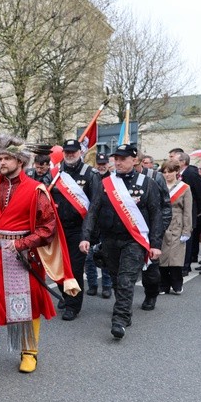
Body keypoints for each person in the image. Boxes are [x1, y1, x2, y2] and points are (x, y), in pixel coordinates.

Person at [0, 136, 79, 379]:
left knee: (27, 306)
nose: (1, 162)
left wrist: (22, 243)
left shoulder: (36, 190)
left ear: (20, 161)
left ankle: (29, 353)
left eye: (7, 158)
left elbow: (48, 227)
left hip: (24, 257)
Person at [80, 144, 163, 339]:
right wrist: (86, 237)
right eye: (115, 158)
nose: (117, 162)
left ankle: (119, 319)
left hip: (133, 240)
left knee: (126, 280)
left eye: (122, 159)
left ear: (134, 160)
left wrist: (156, 244)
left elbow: (156, 214)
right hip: (109, 239)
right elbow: (93, 211)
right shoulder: (106, 183)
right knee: (117, 279)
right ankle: (125, 312)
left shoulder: (147, 184)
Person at [49, 139, 100, 321]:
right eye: (67, 152)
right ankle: (66, 294)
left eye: (73, 151)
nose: (70, 155)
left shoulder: (90, 174)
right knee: (57, 267)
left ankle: (73, 305)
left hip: (79, 230)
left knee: (75, 269)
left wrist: (88, 235)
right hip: (57, 230)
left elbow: (94, 206)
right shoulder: (55, 173)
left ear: (80, 152)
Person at [134, 149, 172, 311]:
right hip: (127, 231)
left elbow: (165, 206)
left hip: (149, 231)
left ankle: (151, 295)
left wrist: (159, 230)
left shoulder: (155, 177)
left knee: (150, 269)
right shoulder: (116, 179)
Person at [158, 159, 192, 294]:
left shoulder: (184, 187)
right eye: (165, 172)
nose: (167, 175)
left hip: (177, 224)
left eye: (170, 172)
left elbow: (187, 211)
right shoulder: (158, 185)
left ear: (176, 172)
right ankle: (163, 284)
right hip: (161, 224)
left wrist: (186, 230)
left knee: (175, 257)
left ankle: (177, 283)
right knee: (162, 257)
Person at [169, 149, 201, 275]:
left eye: (174, 160)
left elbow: (200, 194)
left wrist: (199, 210)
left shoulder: (191, 173)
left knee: (187, 238)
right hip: (179, 211)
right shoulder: (179, 173)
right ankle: (180, 264)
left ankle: (185, 266)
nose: (171, 161)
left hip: (190, 210)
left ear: (183, 162)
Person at [84, 152, 112, 298]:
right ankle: (92, 284)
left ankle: (107, 286)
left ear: (108, 164)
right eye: (99, 164)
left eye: (104, 164)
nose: (101, 167)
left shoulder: (114, 179)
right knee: (89, 258)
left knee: (106, 257)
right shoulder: (91, 178)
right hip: (92, 222)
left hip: (107, 223)